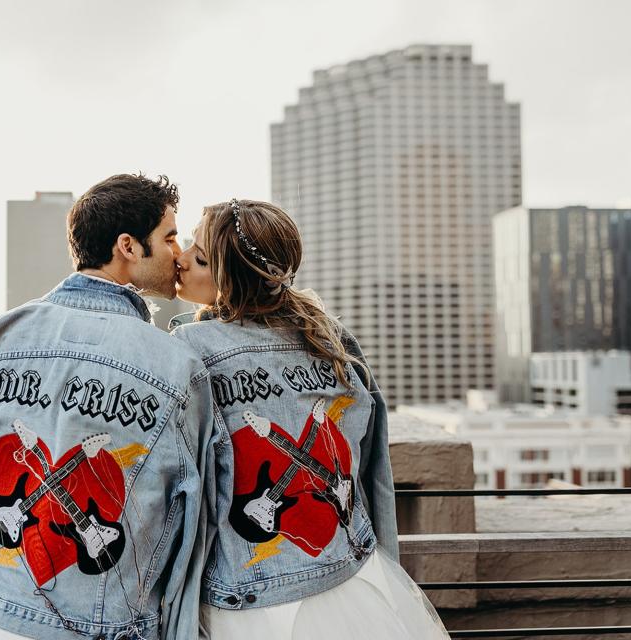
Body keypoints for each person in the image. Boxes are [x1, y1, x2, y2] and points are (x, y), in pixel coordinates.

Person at [0, 174, 221, 640]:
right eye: (168, 237)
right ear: (128, 246)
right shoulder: (176, 364)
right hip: (110, 625)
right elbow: (195, 522)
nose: (178, 252)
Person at [171, 199, 449, 639]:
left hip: (249, 599)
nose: (180, 259)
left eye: (200, 257)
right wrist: (387, 568)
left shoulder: (190, 348)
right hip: (354, 579)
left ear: (232, 281)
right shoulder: (330, 337)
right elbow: (374, 471)